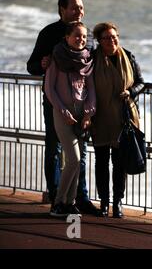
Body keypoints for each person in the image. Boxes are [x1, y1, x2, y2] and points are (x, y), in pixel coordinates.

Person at [27, 0, 99, 215]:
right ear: (62, 9)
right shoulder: (49, 34)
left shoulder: (86, 36)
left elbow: (92, 70)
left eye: (81, 8)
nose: (79, 11)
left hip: (80, 105)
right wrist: (43, 63)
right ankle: (57, 197)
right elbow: (32, 67)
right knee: (55, 149)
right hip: (55, 103)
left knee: (82, 153)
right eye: (74, 8)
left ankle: (80, 197)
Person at [91, 22, 144, 218]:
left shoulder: (128, 56)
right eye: (107, 38)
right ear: (99, 40)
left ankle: (117, 202)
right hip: (100, 116)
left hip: (124, 116)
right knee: (101, 161)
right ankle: (104, 202)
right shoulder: (93, 59)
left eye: (115, 36)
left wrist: (130, 91)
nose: (112, 40)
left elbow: (140, 82)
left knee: (120, 162)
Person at [44, 21, 95, 216]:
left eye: (83, 36)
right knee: (73, 159)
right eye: (77, 35)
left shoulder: (87, 58)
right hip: (63, 115)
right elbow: (50, 89)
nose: (80, 39)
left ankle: (69, 203)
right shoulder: (57, 58)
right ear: (67, 37)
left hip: (82, 116)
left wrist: (89, 113)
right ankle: (58, 203)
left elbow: (91, 89)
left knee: (78, 160)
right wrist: (64, 112)